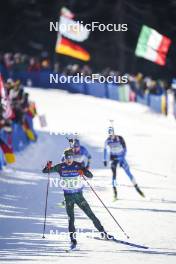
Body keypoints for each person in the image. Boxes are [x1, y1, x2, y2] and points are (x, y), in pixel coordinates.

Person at [43, 148, 112, 248]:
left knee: (91, 214)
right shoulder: (60, 167)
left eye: (70, 157)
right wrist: (47, 167)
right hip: (68, 197)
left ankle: (103, 233)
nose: (69, 159)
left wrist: (83, 171)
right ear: (64, 158)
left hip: (79, 196)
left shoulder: (78, 165)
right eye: (67, 157)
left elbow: (90, 176)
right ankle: (73, 240)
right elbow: (45, 171)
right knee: (71, 219)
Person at [103, 127, 144, 200]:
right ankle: (115, 192)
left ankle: (137, 187)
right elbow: (105, 150)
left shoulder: (120, 138)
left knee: (128, 173)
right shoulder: (107, 140)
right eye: (110, 135)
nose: (111, 137)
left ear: (114, 133)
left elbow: (125, 149)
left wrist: (121, 158)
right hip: (113, 159)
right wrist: (105, 160)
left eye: (112, 134)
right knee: (114, 175)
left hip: (121, 158)